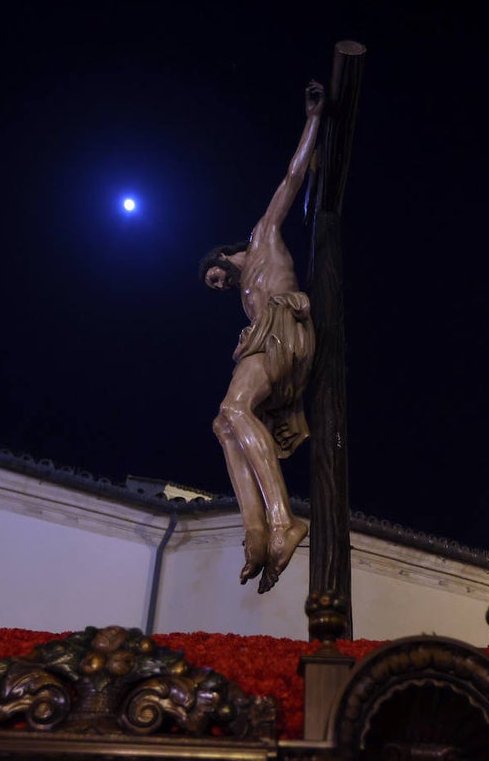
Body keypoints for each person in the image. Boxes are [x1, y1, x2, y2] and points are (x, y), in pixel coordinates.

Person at [199, 79, 324, 594]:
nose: (220, 283)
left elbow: (292, 178)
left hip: (284, 330)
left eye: (216, 274)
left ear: (222, 255)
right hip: (268, 339)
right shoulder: (243, 295)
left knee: (233, 410)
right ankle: (255, 530)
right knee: (224, 424)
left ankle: (282, 521)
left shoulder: (263, 238)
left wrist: (314, 118)